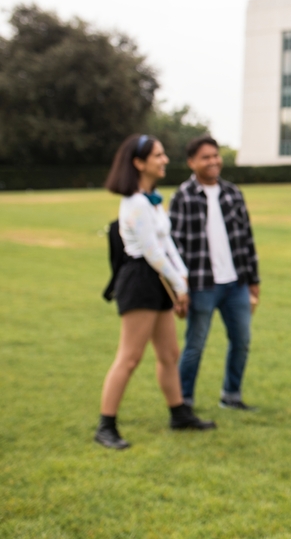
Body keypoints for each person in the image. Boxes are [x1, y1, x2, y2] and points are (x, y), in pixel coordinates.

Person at [96, 134, 216, 449]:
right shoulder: (135, 203)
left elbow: (167, 244)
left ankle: (179, 414)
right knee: (130, 356)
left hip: (160, 278)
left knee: (169, 354)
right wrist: (180, 288)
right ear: (139, 163)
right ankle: (105, 426)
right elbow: (152, 252)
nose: (164, 160)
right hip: (140, 280)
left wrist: (183, 279)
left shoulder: (152, 198)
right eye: (158, 155)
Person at [169, 136, 261, 411]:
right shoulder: (182, 196)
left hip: (236, 284)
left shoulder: (233, 193)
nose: (213, 161)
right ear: (192, 162)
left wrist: (253, 280)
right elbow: (174, 246)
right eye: (205, 157)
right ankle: (184, 399)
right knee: (195, 344)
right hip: (201, 285)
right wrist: (178, 289)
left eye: (215, 155)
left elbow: (247, 238)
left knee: (242, 341)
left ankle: (231, 395)